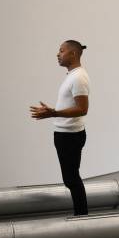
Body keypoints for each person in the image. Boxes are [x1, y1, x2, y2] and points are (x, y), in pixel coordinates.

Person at [30, 40, 90, 216]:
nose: (58, 54)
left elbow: (82, 109)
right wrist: (52, 113)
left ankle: (82, 217)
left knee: (72, 179)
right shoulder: (72, 75)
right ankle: (81, 216)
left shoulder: (79, 77)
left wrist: (53, 113)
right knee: (71, 179)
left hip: (70, 136)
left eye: (61, 51)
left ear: (73, 54)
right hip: (65, 135)